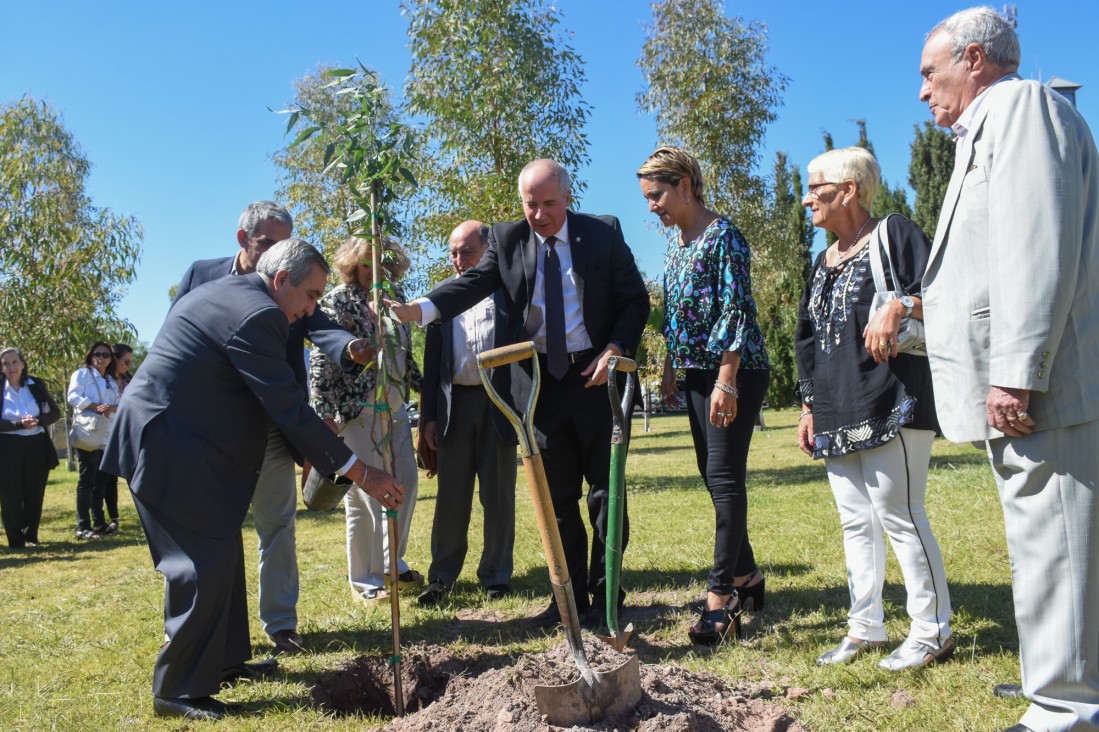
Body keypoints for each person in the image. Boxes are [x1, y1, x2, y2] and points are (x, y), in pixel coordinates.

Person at [101, 239, 404, 721]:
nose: (311, 310)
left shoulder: (236, 293)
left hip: (185, 443)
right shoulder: (258, 316)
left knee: (221, 551)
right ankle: (176, 690)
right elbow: (290, 410)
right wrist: (362, 472)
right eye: (309, 296)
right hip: (166, 447)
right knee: (199, 566)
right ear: (281, 280)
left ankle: (223, 662)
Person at [917, 8, 1099, 730]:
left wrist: (1014, 372)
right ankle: (1054, 678)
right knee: (1045, 543)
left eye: (929, 74)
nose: (923, 91)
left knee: (1053, 544)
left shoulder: (1021, 107)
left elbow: (1034, 246)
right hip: (1032, 383)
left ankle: (1062, 706)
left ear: (972, 59)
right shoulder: (992, 126)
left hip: (1040, 386)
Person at [389, 159, 650, 628]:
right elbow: (469, 286)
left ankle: (606, 590)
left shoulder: (603, 233)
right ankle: (567, 599)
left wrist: (615, 348)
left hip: (597, 379)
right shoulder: (507, 240)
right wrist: (419, 310)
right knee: (557, 498)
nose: (540, 214)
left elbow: (636, 299)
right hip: (542, 387)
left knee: (606, 493)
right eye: (531, 204)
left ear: (568, 199)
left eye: (550, 203)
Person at [172, 201, 372, 655]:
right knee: (210, 533)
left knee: (277, 524)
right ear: (243, 240)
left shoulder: (294, 287)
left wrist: (352, 348)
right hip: (214, 431)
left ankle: (280, 623)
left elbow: (319, 323)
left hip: (272, 425)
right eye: (267, 243)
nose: (276, 252)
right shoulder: (202, 276)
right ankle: (211, 636)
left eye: (285, 243)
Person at [793, 147, 953, 669]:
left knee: (900, 515)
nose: (806, 199)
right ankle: (865, 628)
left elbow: (947, 295)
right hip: (838, 410)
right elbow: (808, 340)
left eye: (815, 188)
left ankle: (932, 631)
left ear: (849, 190)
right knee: (855, 522)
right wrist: (809, 406)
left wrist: (901, 304)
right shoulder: (822, 262)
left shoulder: (894, 234)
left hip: (893, 399)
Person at [636, 146, 770, 645]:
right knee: (711, 474)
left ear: (685, 186)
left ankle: (721, 597)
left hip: (735, 369)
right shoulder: (677, 242)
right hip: (695, 372)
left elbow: (734, 310)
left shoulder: (724, 236)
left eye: (657, 195)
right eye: (647, 198)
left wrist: (726, 379)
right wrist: (672, 363)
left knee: (724, 474)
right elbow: (678, 311)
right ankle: (748, 576)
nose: (652, 206)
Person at [310, 236, 424, 604]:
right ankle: (366, 580)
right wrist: (323, 414)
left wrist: (429, 390)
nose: (376, 272)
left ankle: (393, 563)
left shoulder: (396, 302)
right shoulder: (336, 301)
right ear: (352, 264)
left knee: (405, 480)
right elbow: (321, 360)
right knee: (364, 495)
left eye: (384, 263)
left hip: (395, 409)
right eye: (367, 263)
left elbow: (404, 357)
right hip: (356, 412)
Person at [417, 221, 517, 606]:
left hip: (498, 406)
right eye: (453, 253)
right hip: (453, 408)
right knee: (451, 496)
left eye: (467, 253)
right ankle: (441, 577)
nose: (459, 261)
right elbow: (432, 366)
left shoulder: (506, 294)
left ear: (487, 251)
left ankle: (496, 575)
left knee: (498, 494)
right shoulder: (440, 299)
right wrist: (427, 418)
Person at [0, 347, 60, 548]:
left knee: (34, 492)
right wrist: (18, 424)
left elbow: (55, 413)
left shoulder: (36, 385)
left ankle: (31, 536)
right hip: (7, 446)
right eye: (6, 363)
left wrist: (38, 420)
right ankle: (16, 541)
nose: (11, 367)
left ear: (23, 364)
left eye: (14, 362)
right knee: (11, 495)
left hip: (36, 444)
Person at [66, 342, 120, 539]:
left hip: (106, 434)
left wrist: (111, 408)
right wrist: (96, 406)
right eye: (97, 354)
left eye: (105, 355)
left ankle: (99, 523)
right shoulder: (83, 374)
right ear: (90, 356)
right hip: (89, 432)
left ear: (110, 359)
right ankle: (83, 526)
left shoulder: (110, 381)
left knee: (101, 481)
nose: (101, 358)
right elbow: (72, 396)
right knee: (87, 480)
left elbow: (119, 404)